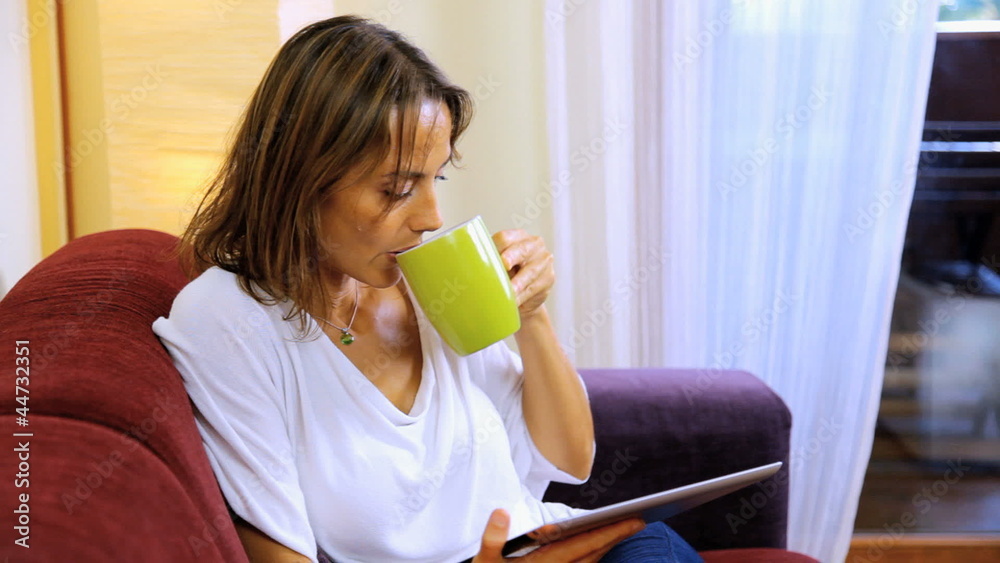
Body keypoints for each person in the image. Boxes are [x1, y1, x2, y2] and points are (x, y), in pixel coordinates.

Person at [153, 15, 703, 563]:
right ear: (301, 179)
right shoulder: (228, 320)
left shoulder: (431, 282)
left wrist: (530, 316)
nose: (432, 218)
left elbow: (570, 459)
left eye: (435, 178)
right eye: (397, 188)